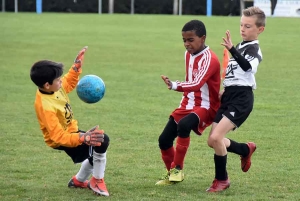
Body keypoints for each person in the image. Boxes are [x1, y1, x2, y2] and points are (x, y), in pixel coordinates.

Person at [30, 47, 110, 196]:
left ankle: (78, 181)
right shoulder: (45, 106)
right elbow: (57, 137)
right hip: (62, 139)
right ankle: (97, 181)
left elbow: (67, 83)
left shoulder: (53, 88)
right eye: (58, 79)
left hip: (71, 132)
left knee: (96, 146)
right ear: (47, 84)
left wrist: (75, 68)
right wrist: (82, 137)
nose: (61, 81)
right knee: (101, 141)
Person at [206, 6, 266, 192]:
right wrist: (225, 88)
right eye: (241, 25)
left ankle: (222, 180)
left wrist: (232, 49)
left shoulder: (255, 49)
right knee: (213, 141)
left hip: (242, 99)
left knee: (216, 137)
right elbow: (234, 73)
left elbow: (248, 68)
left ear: (260, 29)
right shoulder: (240, 46)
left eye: (248, 26)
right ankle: (244, 150)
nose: (242, 29)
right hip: (230, 96)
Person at [156, 20, 221, 186]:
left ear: (203, 38)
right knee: (164, 139)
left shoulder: (210, 59)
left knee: (184, 125)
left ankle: (178, 168)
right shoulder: (188, 55)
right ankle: (172, 174)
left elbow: (198, 83)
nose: (186, 44)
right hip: (187, 103)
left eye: (190, 40)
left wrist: (174, 85)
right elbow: (191, 81)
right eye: (184, 40)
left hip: (206, 106)